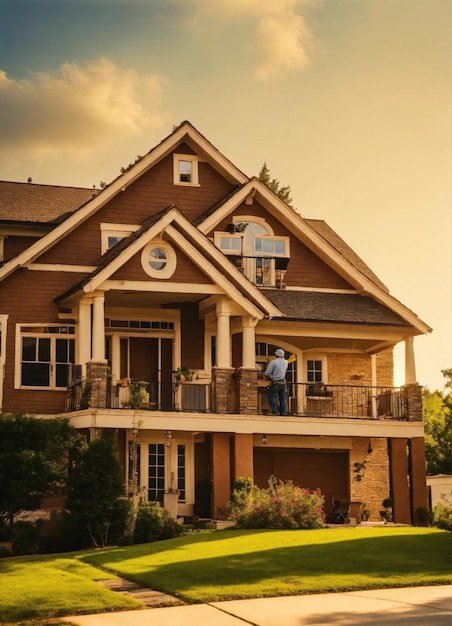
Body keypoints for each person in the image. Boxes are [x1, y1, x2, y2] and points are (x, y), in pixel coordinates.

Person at [264, 348, 288, 416]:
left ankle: (275, 411)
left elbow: (267, 373)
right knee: (282, 398)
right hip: (283, 382)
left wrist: (266, 370)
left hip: (275, 382)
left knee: (271, 396)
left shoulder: (273, 362)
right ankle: (283, 413)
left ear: (276, 355)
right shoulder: (286, 362)